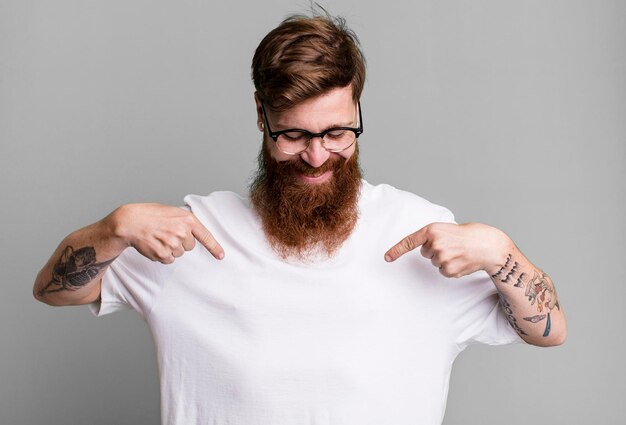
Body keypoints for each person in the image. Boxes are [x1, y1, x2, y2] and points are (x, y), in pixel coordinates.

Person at [33, 10, 566, 425]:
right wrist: (114, 227)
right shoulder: (193, 232)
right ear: (260, 115)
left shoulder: (420, 229)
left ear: (358, 111)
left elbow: (549, 331)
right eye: (293, 135)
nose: (316, 156)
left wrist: (502, 254)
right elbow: (53, 290)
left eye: (337, 134)